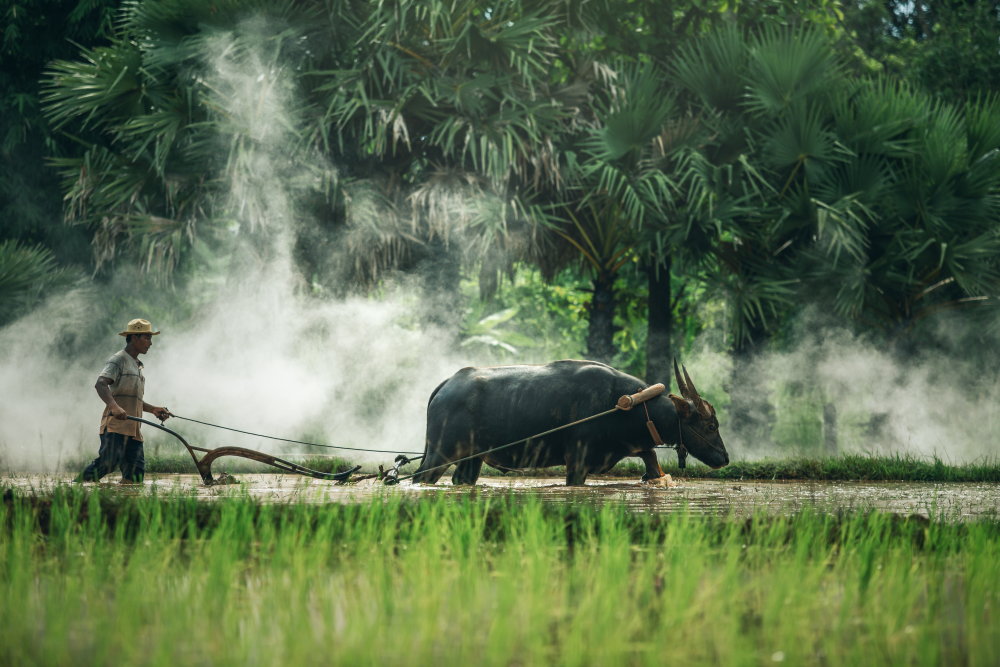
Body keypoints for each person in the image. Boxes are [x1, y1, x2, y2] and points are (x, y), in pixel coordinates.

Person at [77, 319, 171, 484]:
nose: (150, 343)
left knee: (135, 477)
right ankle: (74, 489)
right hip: (116, 427)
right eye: (147, 338)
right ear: (134, 337)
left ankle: (126, 503)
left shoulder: (138, 365)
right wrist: (114, 407)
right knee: (108, 463)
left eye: (151, 339)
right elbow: (100, 383)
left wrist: (154, 409)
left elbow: (134, 400)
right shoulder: (118, 360)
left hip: (134, 431)